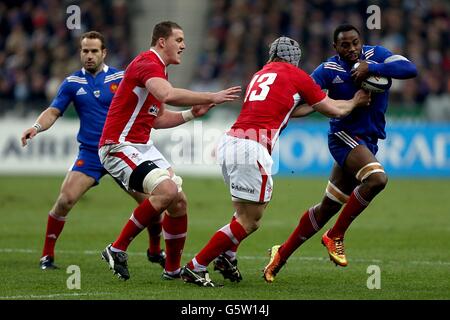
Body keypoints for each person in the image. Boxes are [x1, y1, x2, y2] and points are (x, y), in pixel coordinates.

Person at [179, 36, 371, 287]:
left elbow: (291, 110)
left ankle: (227, 256)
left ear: (272, 55)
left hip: (231, 142)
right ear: (295, 59)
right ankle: (196, 266)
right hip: (252, 148)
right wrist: (355, 101)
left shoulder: (260, 75)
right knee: (251, 221)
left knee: (242, 213)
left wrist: (316, 102)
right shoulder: (297, 75)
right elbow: (335, 111)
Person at [263, 24, 418, 283]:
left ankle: (281, 254)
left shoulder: (377, 56)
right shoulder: (328, 70)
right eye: (345, 45)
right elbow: (300, 102)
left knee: (327, 208)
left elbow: (410, 69)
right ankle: (335, 235)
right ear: (335, 48)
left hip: (367, 142)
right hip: (343, 137)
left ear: (361, 41)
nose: (352, 49)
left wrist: (374, 68)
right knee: (377, 179)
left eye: (355, 42)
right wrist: (317, 106)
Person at [98, 21, 241, 281]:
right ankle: (116, 248)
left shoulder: (158, 72)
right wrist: (210, 96)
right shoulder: (146, 63)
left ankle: (172, 269)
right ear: (162, 42)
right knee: (167, 190)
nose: (184, 45)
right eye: (179, 40)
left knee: (179, 202)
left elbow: (157, 119)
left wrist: (191, 114)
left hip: (141, 145)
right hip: (118, 144)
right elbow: (167, 95)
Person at [21, 31, 165, 270]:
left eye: (94, 51)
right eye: (85, 51)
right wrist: (36, 127)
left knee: (154, 203)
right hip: (91, 153)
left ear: (104, 53)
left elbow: (147, 102)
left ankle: (154, 250)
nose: (89, 56)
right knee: (65, 200)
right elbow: (53, 111)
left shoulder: (122, 78)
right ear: (80, 52)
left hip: (121, 150)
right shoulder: (71, 83)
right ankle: (47, 256)